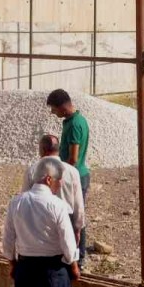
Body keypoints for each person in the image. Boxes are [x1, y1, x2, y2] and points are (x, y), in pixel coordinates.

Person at [3, 158, 80, 287]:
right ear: (48, 179)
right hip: (55, 268)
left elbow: (7, 240)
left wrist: (13, 263)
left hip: (26, 267)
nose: (59, 185)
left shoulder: (16, 202)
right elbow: (68, 244)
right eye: (58, 181)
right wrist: (74, 267)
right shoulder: (58, 205)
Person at [47, 89, 90, 266]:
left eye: (53, 109)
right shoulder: (72, 121)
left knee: (75, 218)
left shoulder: (74, 125)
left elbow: (73, 157)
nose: (52, 112)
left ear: (62, 107)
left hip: (75, 176)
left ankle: (78, 259)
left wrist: (61, 175)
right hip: (76, 174)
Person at [21, 135, 86, 246]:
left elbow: (25, 201)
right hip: (66, 219)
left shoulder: (32, 170)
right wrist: (78, 229)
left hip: (41, 220)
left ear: (43, 150)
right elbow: (78, 205)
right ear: (58, 149)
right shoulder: (72, 171)